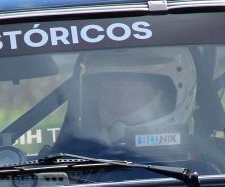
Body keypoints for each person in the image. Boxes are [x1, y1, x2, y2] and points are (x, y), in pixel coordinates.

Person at [58, 46, 198, 157]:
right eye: (108, 94)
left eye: (135, 96)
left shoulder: (203, 172)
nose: (118, 106)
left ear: (168, 99)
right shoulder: (70, 160)